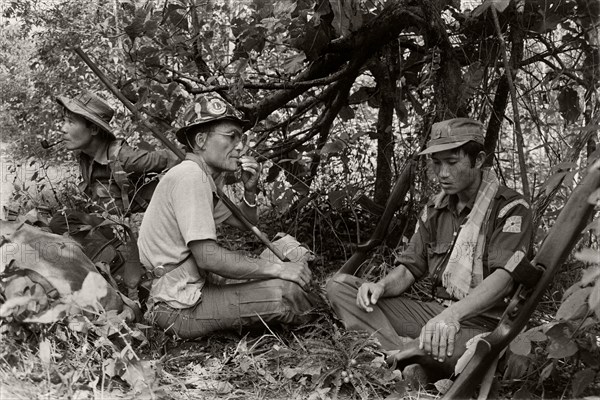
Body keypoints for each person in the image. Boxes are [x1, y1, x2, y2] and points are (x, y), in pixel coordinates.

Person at [326, 118, 540, 382]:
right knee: (340, 287)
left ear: (479, 159)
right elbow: (408, 269)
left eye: (452, 163)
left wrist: (452, 315)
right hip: (435, 314)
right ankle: (409, 357)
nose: (442, 173)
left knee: (449, 344)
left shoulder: (510, 209)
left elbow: (503, 281)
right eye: (436, 163)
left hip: (482, 323)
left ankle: (398, 356)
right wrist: (380, 287)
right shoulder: (434, 209)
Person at [138, 94, 320, 339]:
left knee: (289, 248)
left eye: (241, 138)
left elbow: (247, 222)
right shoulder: (190, 177)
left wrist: (250, 190)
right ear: (201, 140)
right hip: (178, 305)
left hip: (197, 288)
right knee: (288, 291)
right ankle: (328, 317)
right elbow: (209, 258)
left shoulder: (204, 179)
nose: (240, 147)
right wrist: (278, 269)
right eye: (231, 136)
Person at [48, 90, 179, 297]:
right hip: (110, 226)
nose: (62, 129)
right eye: (64, 121)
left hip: (137, 235)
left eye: (70, 122)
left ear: (93, 129)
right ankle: (107, 266)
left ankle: (129, 280)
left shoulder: (126, 158)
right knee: (61, 221)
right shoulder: (85, 158)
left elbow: (175, 158)